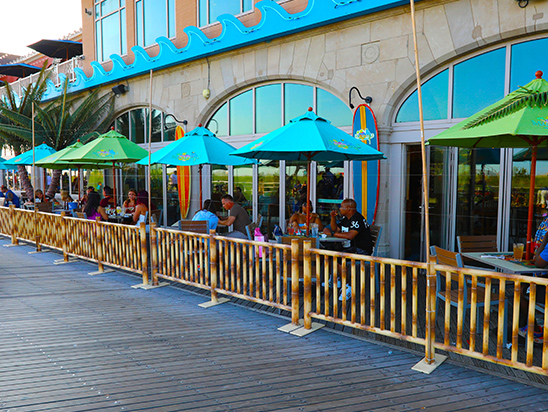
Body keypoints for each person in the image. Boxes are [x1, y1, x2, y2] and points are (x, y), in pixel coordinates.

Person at [322, 198, 373, 301]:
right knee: (330, 251)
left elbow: (350, 235)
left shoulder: (357, 219)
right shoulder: (347, 218)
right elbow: (336, 229)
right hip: (351, 247)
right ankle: (336, 279)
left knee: (340, 257)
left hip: (361, 249)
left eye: (342, 207)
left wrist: (331, 234)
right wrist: (332, 218)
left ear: (349, 208)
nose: (340, 209)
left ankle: (347, 286)